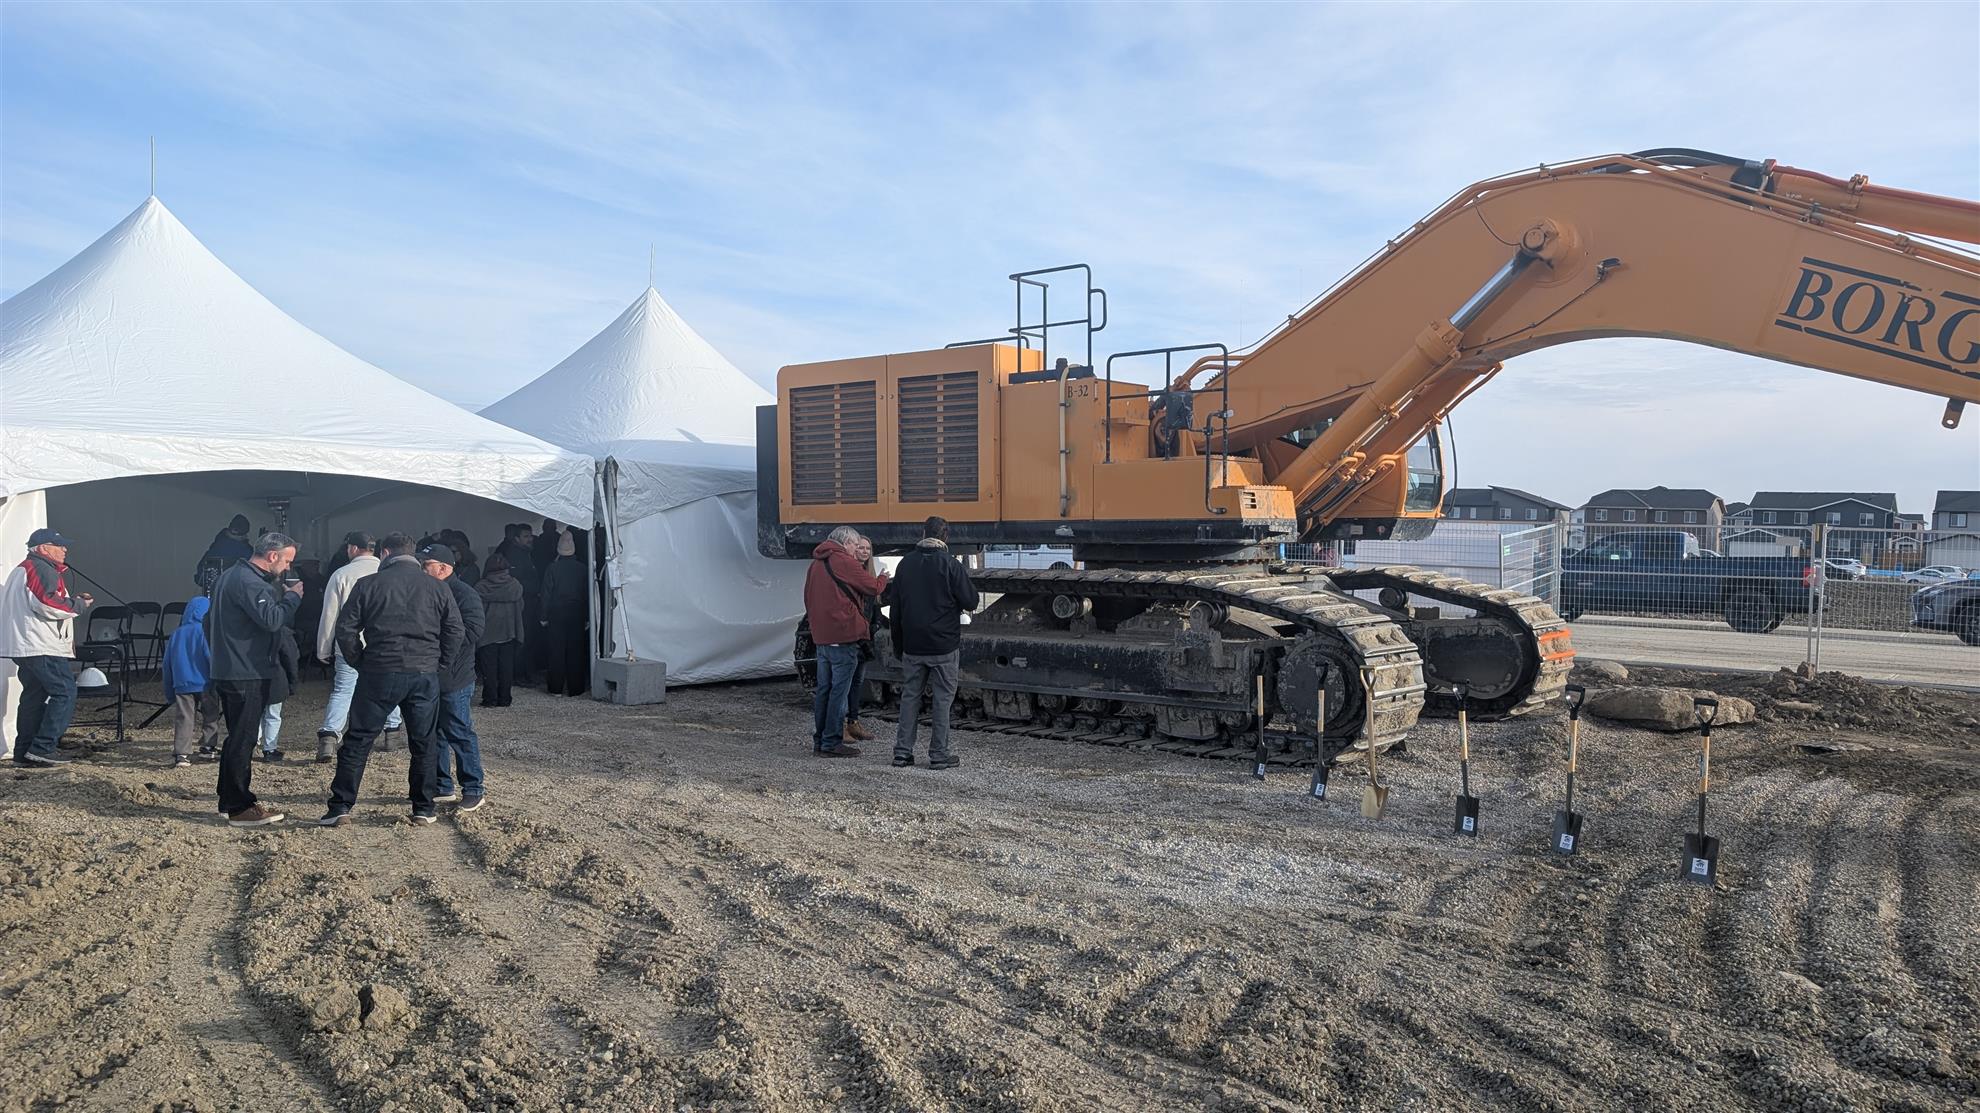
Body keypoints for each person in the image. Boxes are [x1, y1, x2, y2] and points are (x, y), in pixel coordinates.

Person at [322, 532, 462, 828]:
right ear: (414, 555)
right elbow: (455, 630)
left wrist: (360, 660)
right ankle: (423, 808)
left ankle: (340, 807)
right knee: (424, 741)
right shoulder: (437, 588)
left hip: (379, 670)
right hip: (423, 672)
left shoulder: (368, 585)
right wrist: (440, 663)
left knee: (358, 740)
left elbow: (345, 629)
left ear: (385, 553)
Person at [206, 531, 304, 826]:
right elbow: (272, 620)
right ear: (272, 556)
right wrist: (292, 599)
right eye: (286, 561)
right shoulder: (249, 582)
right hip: (246, 670)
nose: (288, 567)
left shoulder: (229, 577)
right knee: (244, 737)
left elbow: (206, 620)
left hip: (230, 666)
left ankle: (228, 797)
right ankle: (239, 806)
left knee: (238, 735)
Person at [883, 516, 979, 769]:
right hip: (943, 645)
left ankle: (902, 753)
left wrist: (898, 644)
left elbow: (896, 610)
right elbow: (971, 601)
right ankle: (939, 754)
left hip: (913, 645)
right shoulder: (950, 565)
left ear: (922, 533)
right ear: (945, 537)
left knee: (910, 697)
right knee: (942, 700)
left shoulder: (905, 565)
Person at [1, 529, 93, 767]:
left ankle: (24, 752)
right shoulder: (41, 568)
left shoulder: (25, 569)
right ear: (42, 548)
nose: (65, 549)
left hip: (27, 646)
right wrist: (79, 604)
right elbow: (47, 603)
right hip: (41, 645)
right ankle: (43, 747)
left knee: (33, 695)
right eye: (59, 545)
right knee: (65, 691)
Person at [314, 532, 401, 763]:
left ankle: (330, 736)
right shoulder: (387, 573)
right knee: (387, 688)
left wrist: (323, 648)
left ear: (352, 549)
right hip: (384, 643)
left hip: (349, 643)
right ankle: (391, 732)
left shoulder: (341, 574)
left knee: (343, 690)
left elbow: (330, 615)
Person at [803, 525, 889, 757]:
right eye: (854, 545)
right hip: (843, 636)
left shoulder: (815, 564)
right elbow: (872, 587)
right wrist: (882, 577)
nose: (856, 550)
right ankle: (832, 742)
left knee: (824, 691)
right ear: (846, 542)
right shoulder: (843, 560)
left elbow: (807, 598)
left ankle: (820, 741)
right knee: (839, 692)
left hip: (822, 639)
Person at [419, 542, 488, 811]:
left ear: (444, 568)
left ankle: (473, 788)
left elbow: (473, 630)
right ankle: (442, 785)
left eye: (426, 566)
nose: (422, 571)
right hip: (431, 673)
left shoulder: (465, 594)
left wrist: (438, 642)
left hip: (456, 676)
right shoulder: (426, 590)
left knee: (459, 730)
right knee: (435, 731)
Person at [159, 595, 220, 768]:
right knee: (211, 715)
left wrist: (169, 691)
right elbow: (210, 657)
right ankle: (208, 746)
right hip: (206, 683)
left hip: (182, 684)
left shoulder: (177, 634)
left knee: (184, 718)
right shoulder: (205, 631)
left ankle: (182, 754)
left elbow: (167, 663)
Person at [841, 535, 883, 743]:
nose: (864, 551)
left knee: (857, 681)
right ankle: (841, 724)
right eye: (861, 547)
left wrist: (875, 626)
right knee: (844, 682)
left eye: (868, 548)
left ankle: (853, 721)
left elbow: (874, 607)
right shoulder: (850, 574)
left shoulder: (870, 575)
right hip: (851, 635)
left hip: (865, 637)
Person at [540, 528, 589, 697]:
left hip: (556, 613)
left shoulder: (552, 568)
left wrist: (543, 616)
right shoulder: (582, 568)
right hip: (577, 612)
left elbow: (546, 594)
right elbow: (587, 594)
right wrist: (588, 617)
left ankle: (556, 687)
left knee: (556, 651)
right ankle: (576, 688)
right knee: (576, 650)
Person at [474, 552, 525, 707]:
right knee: (506, 667)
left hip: (487, 632)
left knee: (489, 668)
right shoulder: (515, 585)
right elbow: (521, 606)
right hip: (509, 631)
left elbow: (476, 610)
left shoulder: (481, 587)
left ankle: (490, 699)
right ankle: (504, 698)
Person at [496, 524, 540, 684]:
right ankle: (520, 674)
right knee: (522, 638)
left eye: (530, 535)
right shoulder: (515, 555)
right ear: (516, 539)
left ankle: (525, 672)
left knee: (527, 637)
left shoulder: (526, 553)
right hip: (522, 602)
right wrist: (534, 588)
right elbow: (516, 580)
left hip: (528, 600)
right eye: (526, 536)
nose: (530, 539)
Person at [256, 621, 301, 763]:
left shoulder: (248, 628)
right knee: (273, 716)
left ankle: (250, 743)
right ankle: (270, 749)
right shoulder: (282, 632)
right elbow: (290, 658)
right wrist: (293, 681)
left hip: (252, 678)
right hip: (275, 679)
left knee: (254, 714)